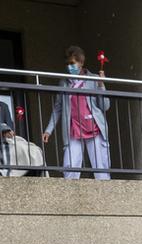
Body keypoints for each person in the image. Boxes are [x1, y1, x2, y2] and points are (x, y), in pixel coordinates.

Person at [43, 46, 111, 180]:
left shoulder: (94, 78)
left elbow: (105, 106)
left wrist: (101, 85)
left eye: (72, 63)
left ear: (81, 63)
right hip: (73, 129)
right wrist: (48, 130)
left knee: (101, 168)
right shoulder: (64, 82)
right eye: (67, 64)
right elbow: (58, 108)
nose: (69, 67)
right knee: (70, 167)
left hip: (94, 127)